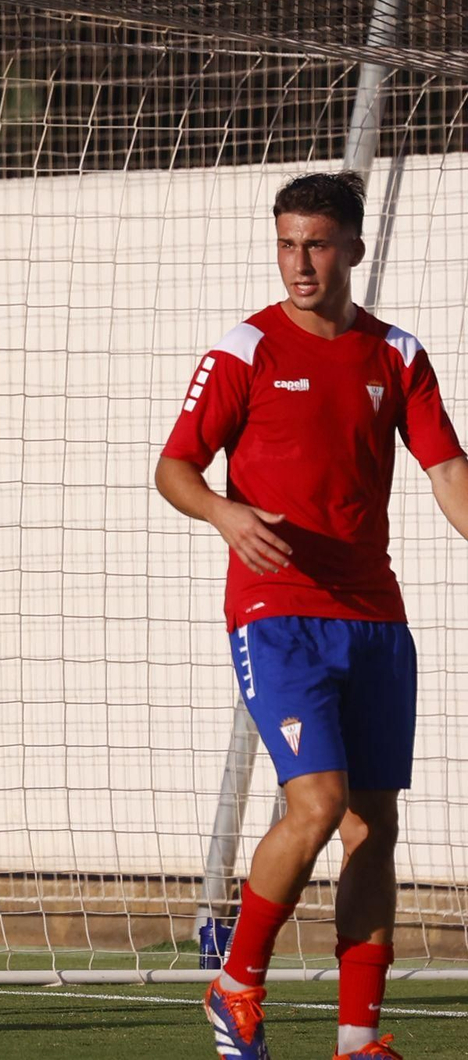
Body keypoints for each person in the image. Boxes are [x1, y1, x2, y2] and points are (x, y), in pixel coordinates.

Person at [155, 171, 468, 1060]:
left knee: (374, 826)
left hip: (375, 618)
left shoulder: (397, 354)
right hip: (276, 612)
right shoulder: (245, 348)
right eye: (287, 242)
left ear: (353, 249)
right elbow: (175, 466)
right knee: (320, 802)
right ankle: (236, 983)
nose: (299, 261)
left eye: (317, 244)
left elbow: (448, 470)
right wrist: (224, 511)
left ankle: (359, 1038)